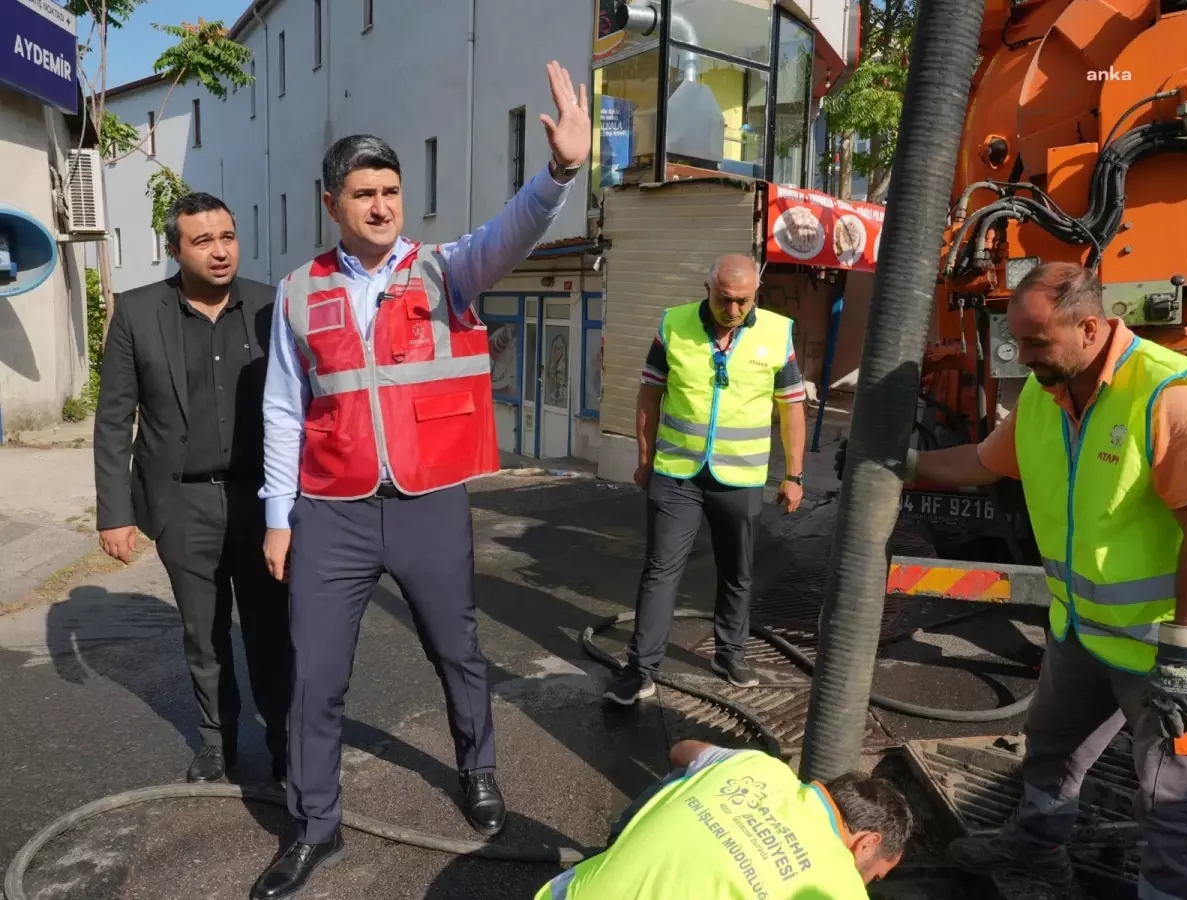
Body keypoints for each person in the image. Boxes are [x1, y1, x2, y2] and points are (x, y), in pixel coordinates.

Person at [248, 61, 591, 900]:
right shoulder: (298, 293)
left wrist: (558, 175)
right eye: (363, 192)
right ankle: (314, 824)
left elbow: (508, 234)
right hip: (330, 511)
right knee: (316, 676)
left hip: (429, 502)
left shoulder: (447, 270)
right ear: (331, 202)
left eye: (391, 191)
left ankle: (477, 770)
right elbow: (284, 412)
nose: (381, 205)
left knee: (458, 652)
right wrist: (278, 516)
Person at [838, 262, 1187, 896]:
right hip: (1081, 635)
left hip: (1164, 657)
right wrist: (902, 462)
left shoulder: (1169, 395)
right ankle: (1034, 853)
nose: (1022, 355)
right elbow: (982, 463)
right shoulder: (1046, 393)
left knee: (1174, 805)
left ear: (1089, 327)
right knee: (1050, 756)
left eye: (1035, 342)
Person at [93, 192, 292, 785]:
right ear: (175, 250)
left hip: (261, 501)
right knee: (203, 633)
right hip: (181, 502)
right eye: (203, 241)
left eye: (227, 236)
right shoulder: (136, 312)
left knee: (270, 629)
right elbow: (113, 419)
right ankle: (217, 742)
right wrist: (114, 512)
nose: (220, 250)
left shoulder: (269, 305)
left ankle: (284, 741)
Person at [604, 255, 809, 705]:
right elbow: (649, 393)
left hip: (740, 478)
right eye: (723, 298)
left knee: (737, 570)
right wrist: (644, 457)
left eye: (742, 301)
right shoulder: (673, 325)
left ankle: (729, 653)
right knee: (660, 571)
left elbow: (791, 406)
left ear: (756, 292)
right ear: (707, 287)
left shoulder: (777, 333)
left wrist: (794, 474)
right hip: (677, 473)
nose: (732, 310)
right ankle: (641, 670)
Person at [535, 740, 911, 899]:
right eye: (874, 875)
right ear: (867, 843)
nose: (867, 885)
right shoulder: (840, 890)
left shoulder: (757, 766)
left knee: (692, 775)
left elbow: (681, 750)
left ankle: (617, 846)